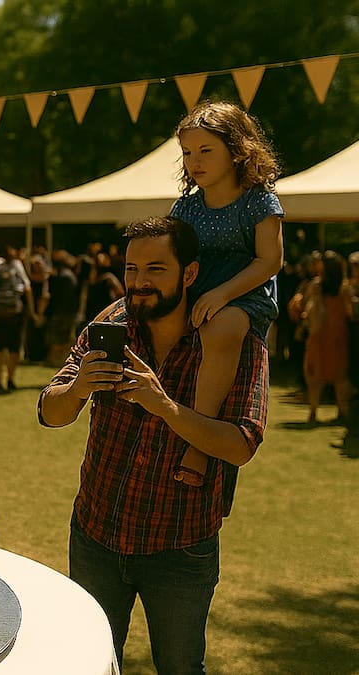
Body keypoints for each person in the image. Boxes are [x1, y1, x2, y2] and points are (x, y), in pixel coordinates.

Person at [39, 215, 268, 674]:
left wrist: (164, 405)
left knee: (181, 668)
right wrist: (79, 387)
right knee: (90, 662)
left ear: (189, 273)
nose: (139, 283)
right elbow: (50, 411)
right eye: (131, 269)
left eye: (155, 270)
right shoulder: (109, 327)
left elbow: (242, 443)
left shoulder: (234, 341)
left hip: (181, 548)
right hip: (97, 536)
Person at [169, 100, 283, 486]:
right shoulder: (185, 208)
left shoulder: (258, 199)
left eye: (205, 151)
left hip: (244, 292)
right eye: (187, 153)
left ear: (237, 152)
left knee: (222, 329)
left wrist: (220, 295)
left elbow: (270, 261)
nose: (194, 161)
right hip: (194, 290)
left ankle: (199, 442)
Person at [299, 251, 352, 424]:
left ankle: (313, 411)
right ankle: (342, 411)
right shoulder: (344, 287)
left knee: (315, 374)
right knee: (339, 374)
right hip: (338, 334)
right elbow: (349, 311)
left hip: (319, 333)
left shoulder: (317, 285)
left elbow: (308, 307)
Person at [0, 249, 33, 393]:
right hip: (14, 313)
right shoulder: (17, 267)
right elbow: (26, 288)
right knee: (14, 348)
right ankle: (10, 378)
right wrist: (31, 310)